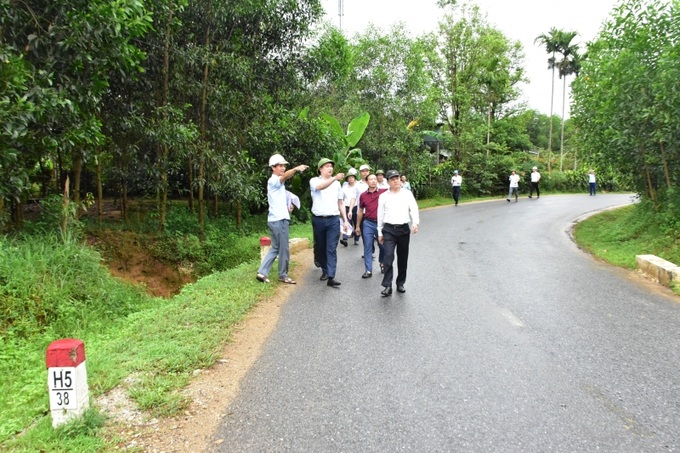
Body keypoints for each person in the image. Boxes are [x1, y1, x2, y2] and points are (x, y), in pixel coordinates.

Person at [256, 154, 309, 284]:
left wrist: (288, 208)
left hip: (278, 218)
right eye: (280, 166)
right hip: (278, 220)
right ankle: (283, 275)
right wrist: (297, 169)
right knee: (283, 247)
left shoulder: (278, 184)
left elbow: (278, 200)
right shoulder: (274, 180)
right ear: (273, 168)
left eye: (284, 165)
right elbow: (285, 176)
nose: (283, 168)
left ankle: (262, 273)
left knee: (276, 247)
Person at [377, 170, 420, 296]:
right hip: (389, 229)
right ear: (388, 182)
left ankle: (400, 283)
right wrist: (379, 231)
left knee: (402, 258)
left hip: (403, 229)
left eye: (397, 178)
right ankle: (387, 285)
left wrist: (415, 223)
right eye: (393, 179)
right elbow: (380, 215)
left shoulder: (407, 194)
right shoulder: (384, 196)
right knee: (388, 257)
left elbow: (414, 208)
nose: (396, 181)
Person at [310, 158, 350, 288]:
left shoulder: (337, 184)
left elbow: (341, 202)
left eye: (331, 166)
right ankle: (325, 270)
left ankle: (331, 276)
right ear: (320, 169)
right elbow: (320, 187)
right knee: (321, 247)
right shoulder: (314, 181)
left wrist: (345, 219)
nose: (330, 168)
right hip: (318, 219)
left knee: (331, 248)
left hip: (333, 219)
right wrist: (334, 179)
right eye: (326, 166)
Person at [355, 174, 387, 278]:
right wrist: (358, 225)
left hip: (380, 224)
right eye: (371, 179)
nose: (373, 181)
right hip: (368, 223)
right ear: (367, 182)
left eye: (374, 179)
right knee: (367, 246)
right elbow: (360, 211)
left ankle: (382, 262)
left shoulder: (384, 192)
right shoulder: (363, 195)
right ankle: (368, 270)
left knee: (382, 245)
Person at [341, 168, 360, 246]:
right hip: (346, 206)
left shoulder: (358, 186)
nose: (350, 179)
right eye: (349, 178)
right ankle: (345, 238)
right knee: (347, 222)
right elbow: (341, 197)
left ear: (355, 178)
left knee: (356, 223)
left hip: (356, 207)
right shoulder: (344, 187)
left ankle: (356, 238)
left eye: (352, 177)